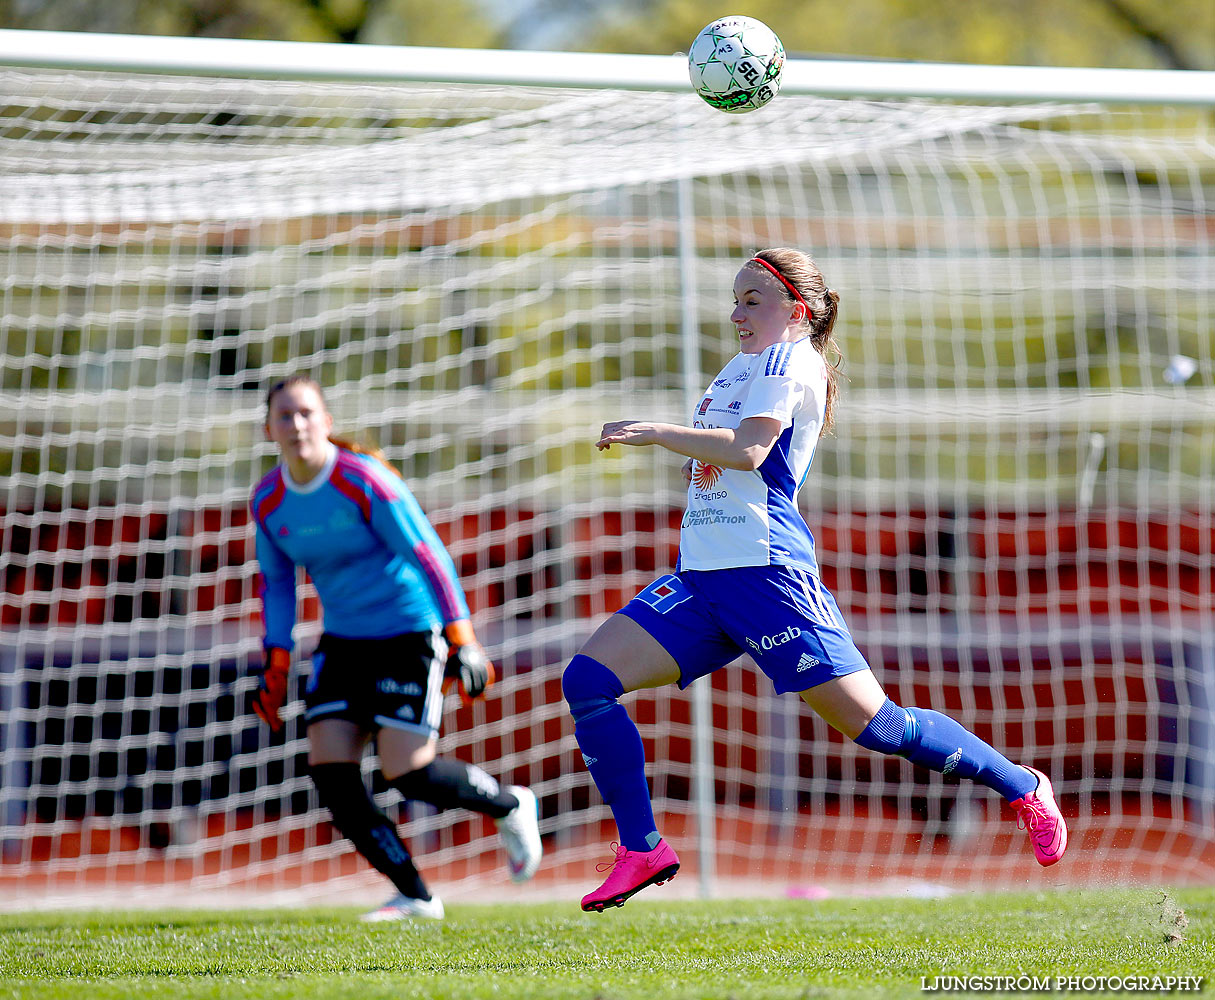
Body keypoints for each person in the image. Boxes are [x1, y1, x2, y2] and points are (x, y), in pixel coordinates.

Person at [563, 248, 1067, 913]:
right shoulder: (740, 366)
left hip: (766, 576)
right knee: (588, 681)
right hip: (705, 578)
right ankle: (641, 849)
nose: (735, 312)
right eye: (735, 299)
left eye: (751, 300)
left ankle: (1021, 785)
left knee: (878, 727)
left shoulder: (788, 363)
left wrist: (657, 432)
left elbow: (747, 452)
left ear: (795, 310)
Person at [249, 374, 542, 921]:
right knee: (331, 773)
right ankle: (415, 895)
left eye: (307, 413)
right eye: (285, 416)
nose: (297, 425)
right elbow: (277, 584)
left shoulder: (364, 479)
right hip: (342, 642)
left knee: (405, 772)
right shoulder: (268, 499)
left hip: (409, 633)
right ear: (269, 429)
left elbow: (427, 553)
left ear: (327, 421)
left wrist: (463, 639)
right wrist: (276, 660)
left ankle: (509, 804)